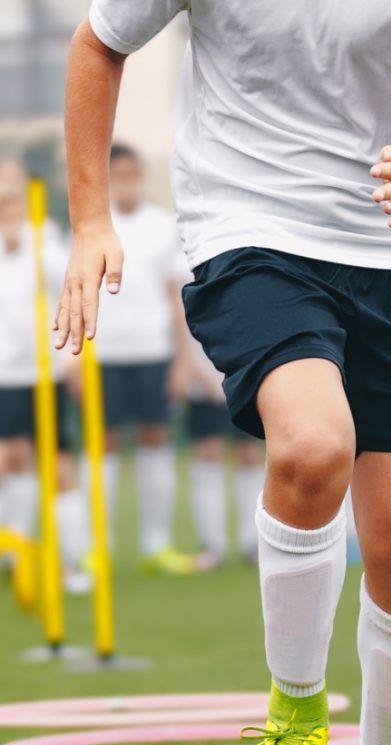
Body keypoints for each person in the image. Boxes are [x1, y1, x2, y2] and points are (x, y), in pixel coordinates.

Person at [57, 0, 391, 745]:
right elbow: (97, 43)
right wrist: (91, 221)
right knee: (311, 445)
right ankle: (295, 720)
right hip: (250, 236)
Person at [87, 143, 194, 574]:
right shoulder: (92, 228)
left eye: (133, 172)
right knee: (104, 447)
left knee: (156, 441)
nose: (127, 181)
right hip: (102, 353)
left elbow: (176, 299)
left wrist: (182, 360)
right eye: (118, 174)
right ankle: (98, 549)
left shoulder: (163, 226)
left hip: (153, 351)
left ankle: (157, 546)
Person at [0, 161, 89, 594]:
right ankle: (17, 554)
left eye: (11, 190)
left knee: (58, 466)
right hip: (5, 375)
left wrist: (74, 360)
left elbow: (70, 297)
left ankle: (71, 561)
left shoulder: (46, 242)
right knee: (11, 461)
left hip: (43, 374)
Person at [185, 334, 264, 569]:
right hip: (202, 384)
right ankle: (212, 546)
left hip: (246, 379)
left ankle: (253, 543)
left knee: (249, 456)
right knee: (208, 456)